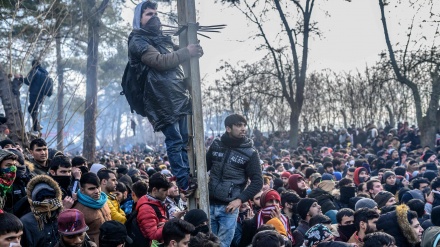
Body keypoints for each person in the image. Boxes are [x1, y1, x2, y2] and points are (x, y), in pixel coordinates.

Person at [127, 1, 203, 195]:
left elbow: (179, 52)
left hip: (178, 93)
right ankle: (184, 181)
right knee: (175, 140)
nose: (154, 18)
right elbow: (160, 61)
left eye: (155, 13)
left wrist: (192, 50)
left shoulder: (162, 39)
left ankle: (191, 174)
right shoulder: (138, 41)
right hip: (159, 98)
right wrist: (186, 52)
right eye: (148, 15)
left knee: (185, 138)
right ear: (139, 19)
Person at [206, 114, 263, 247]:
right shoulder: (216, 145)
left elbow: (258, 182)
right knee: (206, 244)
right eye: (238, 125)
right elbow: (204, 167)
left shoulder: (250, 153)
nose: (243, 129)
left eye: (244, 125)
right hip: (208, 204)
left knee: (223, 245)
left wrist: (239, 200)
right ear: (228, 128)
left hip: (228, 208)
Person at [20, 175, 63, 247]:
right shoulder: (26, 222)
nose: (47, 201)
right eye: (42, 198)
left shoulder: (62, 217)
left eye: (50, 197)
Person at [73, 173, 111, 245]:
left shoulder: (104, 200)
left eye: (98, 187)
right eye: (91, 189)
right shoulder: (77, 210)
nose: (97, 191)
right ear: (82, 190)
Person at [136, 173, 170, 245]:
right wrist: (169, 224)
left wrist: (165, 224)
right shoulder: (146, 209)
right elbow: (153, 235)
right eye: (164, 190)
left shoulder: (158, 202)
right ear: (154, 190)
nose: (167, 193)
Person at [19, 59, 51, 134]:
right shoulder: (44, 73)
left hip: (34, 93)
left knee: (32, 109)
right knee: (32, 109)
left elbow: (28, 81)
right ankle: (36, 125)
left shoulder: (35, 71)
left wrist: (20, 78)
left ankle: (36, 127)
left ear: (33, 65)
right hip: (41, 95)